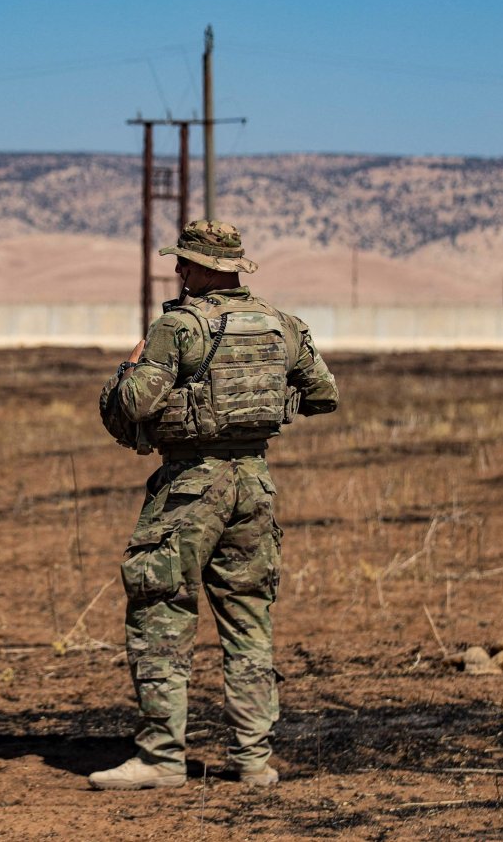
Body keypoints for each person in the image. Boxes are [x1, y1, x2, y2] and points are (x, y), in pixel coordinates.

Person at [90, 219, 338, 791]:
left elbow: (136, 402)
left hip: (190, 485)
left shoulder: (178, 327)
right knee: (249, 618)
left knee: (160, 608)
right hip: (254, 483)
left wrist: (128, 368)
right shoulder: (282, 324)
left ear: (203, 269)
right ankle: (253, 760)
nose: (177, 271)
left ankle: (161, 757)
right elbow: (325, 394)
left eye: (184, 263)